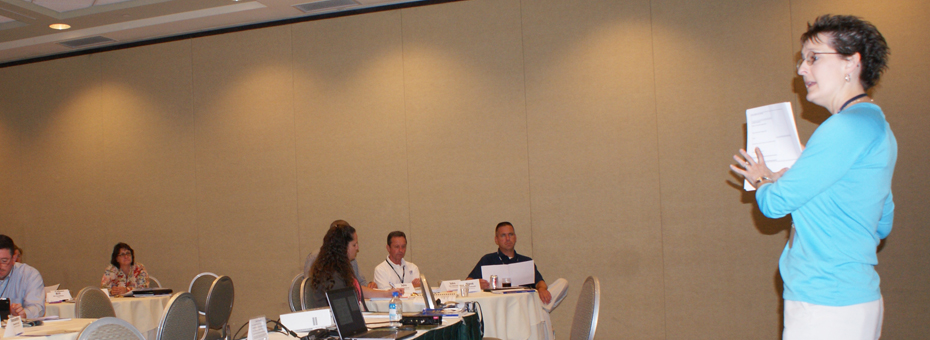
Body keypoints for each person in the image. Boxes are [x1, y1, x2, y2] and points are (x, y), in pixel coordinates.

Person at [730, 15, 894, 340]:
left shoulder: (842, 128)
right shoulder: (877, 126)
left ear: (851, 62)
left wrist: (763, 180)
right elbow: (881, 221)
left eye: (813, 58)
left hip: (824, 304)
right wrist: (812, 178)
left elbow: (774, 204)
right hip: (855, 300)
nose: (801, 69)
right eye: (802, 59)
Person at [467, 222, 568, 313]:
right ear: (496, 240)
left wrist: (542, 289)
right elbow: (468, 282)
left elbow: (540, 282)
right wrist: (477, 284)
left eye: (510, 235)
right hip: (500, 306)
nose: (507, 239)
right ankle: (540, 309)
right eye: (503, 235)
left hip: (526, 303)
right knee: (541, 312)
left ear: (515, 237)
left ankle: (539, 307)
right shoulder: (488, 259)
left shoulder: (526, 261)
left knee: (563, 283)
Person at [306, 220, 403, 309]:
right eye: (354, 245)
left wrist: (386, 294)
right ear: (342, 247)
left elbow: (358, 289)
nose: (357, 248)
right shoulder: (332, 276)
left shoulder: (340, 267)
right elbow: (345, 310)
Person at [303, 220, 376, 288]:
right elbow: (309, 288)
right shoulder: (315, 258)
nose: (357, 248)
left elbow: (360, 284)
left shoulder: (351, 259)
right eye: (354, 245)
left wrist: (369, 286)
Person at [0, 235, 44, 319]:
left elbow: (37, 308)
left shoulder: (29, 275)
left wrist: (24, 314)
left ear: (13, 259)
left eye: (4, 261)